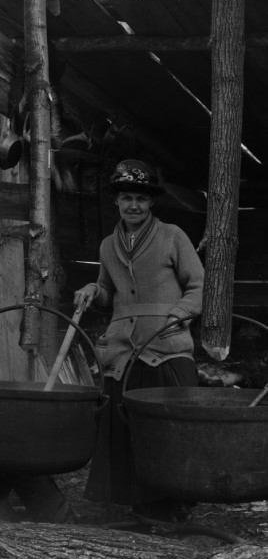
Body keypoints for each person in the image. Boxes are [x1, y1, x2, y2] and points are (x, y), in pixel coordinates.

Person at [74, 158, 204, 522]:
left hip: (166, 346)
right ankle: (139, 506)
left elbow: (198, 285)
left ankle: (174, 503)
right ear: (116, 201)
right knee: (124, 426)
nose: (134, 205)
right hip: (123, 349)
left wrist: (179, 315)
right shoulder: (106, 246)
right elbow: (106, 294)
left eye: (141, 199)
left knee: (170, 428)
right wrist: (91, 290)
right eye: (127, 197)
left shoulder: (172, 237)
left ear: (151, 203)